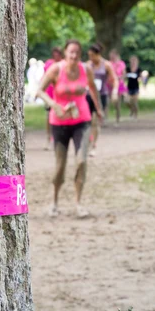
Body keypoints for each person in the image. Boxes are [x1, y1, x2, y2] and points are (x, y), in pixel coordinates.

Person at [37, 40, 104, 218]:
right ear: (65, 53)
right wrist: (54, 105)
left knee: (82, 161)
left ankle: (78, 204)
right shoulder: (56, 69)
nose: (74, 56)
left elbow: (93, 90)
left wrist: (99, 109)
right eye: (71, 52)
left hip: (82, 121)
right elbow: (39, 91)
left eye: (77, 52)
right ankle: (54, 202)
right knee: (60, 166)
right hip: (59, 122)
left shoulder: (85, 69)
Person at [87, 43, 117, 157]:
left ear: (98, 54)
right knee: (87, 121)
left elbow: (114, 80)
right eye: (89, 55)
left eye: (92, 55)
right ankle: (88, 142)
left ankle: (93, 145)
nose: (90, 58)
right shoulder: (88, 65)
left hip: (101, 95)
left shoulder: (107, 65)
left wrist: (114, 92)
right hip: (89, 95)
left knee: (96, 121)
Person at [43, 47, 64, 150]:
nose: (56, 56)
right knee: (48, 117)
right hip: (50, 95)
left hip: (61, 95)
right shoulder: (48, 64)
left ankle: (59, 139)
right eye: (54, 54)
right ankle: (49, 138)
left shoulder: (64, 64)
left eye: (58, 54)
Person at [109, 49, 127, 124]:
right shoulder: (109, 63)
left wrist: (120, 78)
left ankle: (117, 118)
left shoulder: (121, 63)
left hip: (119, 84)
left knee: (117, 103)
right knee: (108, 102)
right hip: (110, 84)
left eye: (112, 55)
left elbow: (124, 74)